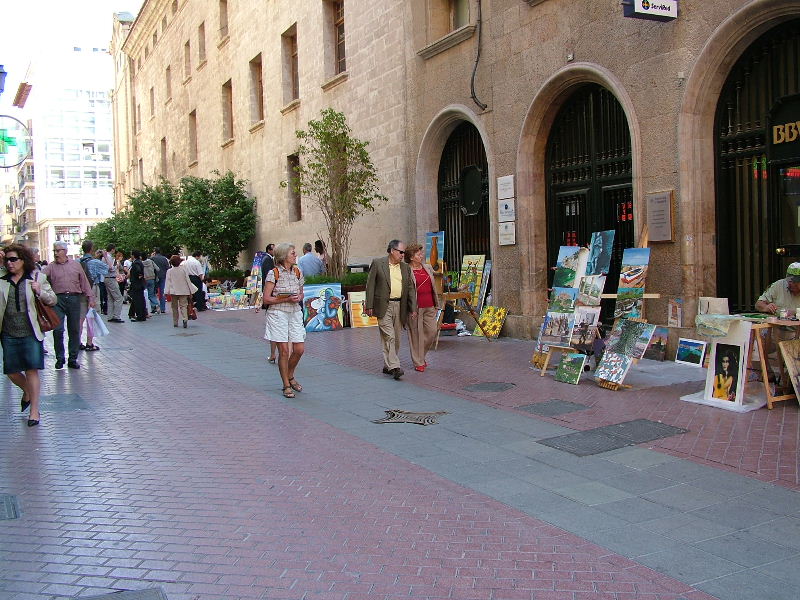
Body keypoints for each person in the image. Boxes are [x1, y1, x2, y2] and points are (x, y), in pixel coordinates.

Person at [0, 245, 57, 426]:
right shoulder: (2, 279)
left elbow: (52, 299)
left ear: (23, 260)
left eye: (13, 259)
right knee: (11, 371)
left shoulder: (37, 277)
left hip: (31, 332)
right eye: (7, 260)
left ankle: (34, 411)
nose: (9, 263)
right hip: (8, 332)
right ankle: (27, 391)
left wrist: (40, 291)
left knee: (31, 370)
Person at [365, 240, 417, 380]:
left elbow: (410, 289)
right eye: (401, 252)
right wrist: (369, 305)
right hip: (383, 306)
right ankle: (395, 367)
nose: (403, 255)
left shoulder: (405, 268)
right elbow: (370, 285)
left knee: (397, 339)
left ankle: (387, 365)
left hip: (400, 306)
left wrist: (413, 308)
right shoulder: (378, 263)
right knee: (389, 336)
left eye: (404, 253)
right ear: (392, 251)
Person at [43, 241, 95, 369]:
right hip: (58, 300)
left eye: (58, 251)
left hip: (74, 298)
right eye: (54, 251)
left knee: (74, 330)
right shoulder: (51, 267)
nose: (56, 253)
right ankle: (60, 358)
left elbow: (84, 282)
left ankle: (73, 359)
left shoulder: (76, 265)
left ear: (65, 251)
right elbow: (39, 277)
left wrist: (90, 297)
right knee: (58, 330)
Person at [262, 243, 305, 398]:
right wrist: (286, 299)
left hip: (295, 312)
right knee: (284, 351)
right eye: (292, 253)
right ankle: (286, 384)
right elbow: (266, 299)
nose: (295, 255)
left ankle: (290, 374)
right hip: (278, 313)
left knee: (299, 349)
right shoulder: (273, 273)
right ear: (283, 256)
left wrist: (299, 297)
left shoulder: (298, 272)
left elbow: (302, 293)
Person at [404, 242, 441, 372]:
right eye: (418, 254)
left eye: (421, 253)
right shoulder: (406, 270)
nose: (421, 255)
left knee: (432, 332)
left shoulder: (427, 267)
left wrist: (436, 304)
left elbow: (434, 283)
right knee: (415, 335)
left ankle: (421, 356)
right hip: (415, 308)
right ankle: (418, 362)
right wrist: (410, 308)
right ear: (411, 257)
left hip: (430, 305)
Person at [83, 249, 110, 351]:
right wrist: (105, 256)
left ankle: (77, 342)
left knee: (80, 317)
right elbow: (109, 268)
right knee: (91, 315)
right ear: (91, 249)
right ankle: (89, 343)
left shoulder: (78, 262)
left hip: (81, 290)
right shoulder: (95, 262)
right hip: (92, 287)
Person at [164, 255, 197, 328]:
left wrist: (166, 292)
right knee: (183, 306)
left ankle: (175, 322)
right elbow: (188, 281)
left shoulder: (169, 271)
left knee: (174, 307)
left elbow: (167, 282)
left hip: (174, 291)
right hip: (184, 290)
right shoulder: (183, 270)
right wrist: (191, 291)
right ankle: (185, 319)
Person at [262, 243, 277, 362]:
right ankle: (274, 354)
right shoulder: (268, 260)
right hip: (273, 301)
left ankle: (274, 354)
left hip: (276, 302)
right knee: (274, 328)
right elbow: (269, 279)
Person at [102, 244, 125, 323]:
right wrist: (116, 266)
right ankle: (116, 316)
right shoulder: (108, 257)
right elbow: (111, 268)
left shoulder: (104, 257)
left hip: (106, 278)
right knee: (119, 298)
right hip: (111, 278)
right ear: (112, 249)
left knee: (110, 298)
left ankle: (110, 316)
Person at [127, 250, 147, 322]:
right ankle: (140, 315)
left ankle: (140, 316)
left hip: (136, 284)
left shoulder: (136, 263)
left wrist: (138, 276)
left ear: (133, 255)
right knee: (140, 299)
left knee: (137, 300)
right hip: (140, 284)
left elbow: (138, 271)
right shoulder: (139, 262)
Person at [151, 247, 171, 315]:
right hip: (163, 276)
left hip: (155, 277)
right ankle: (163, 308)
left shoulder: (152, 258)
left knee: (153, 292)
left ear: (155, 252)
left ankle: (154, 307)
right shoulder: (164, 259)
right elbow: (167, 268)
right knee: (162, 292)